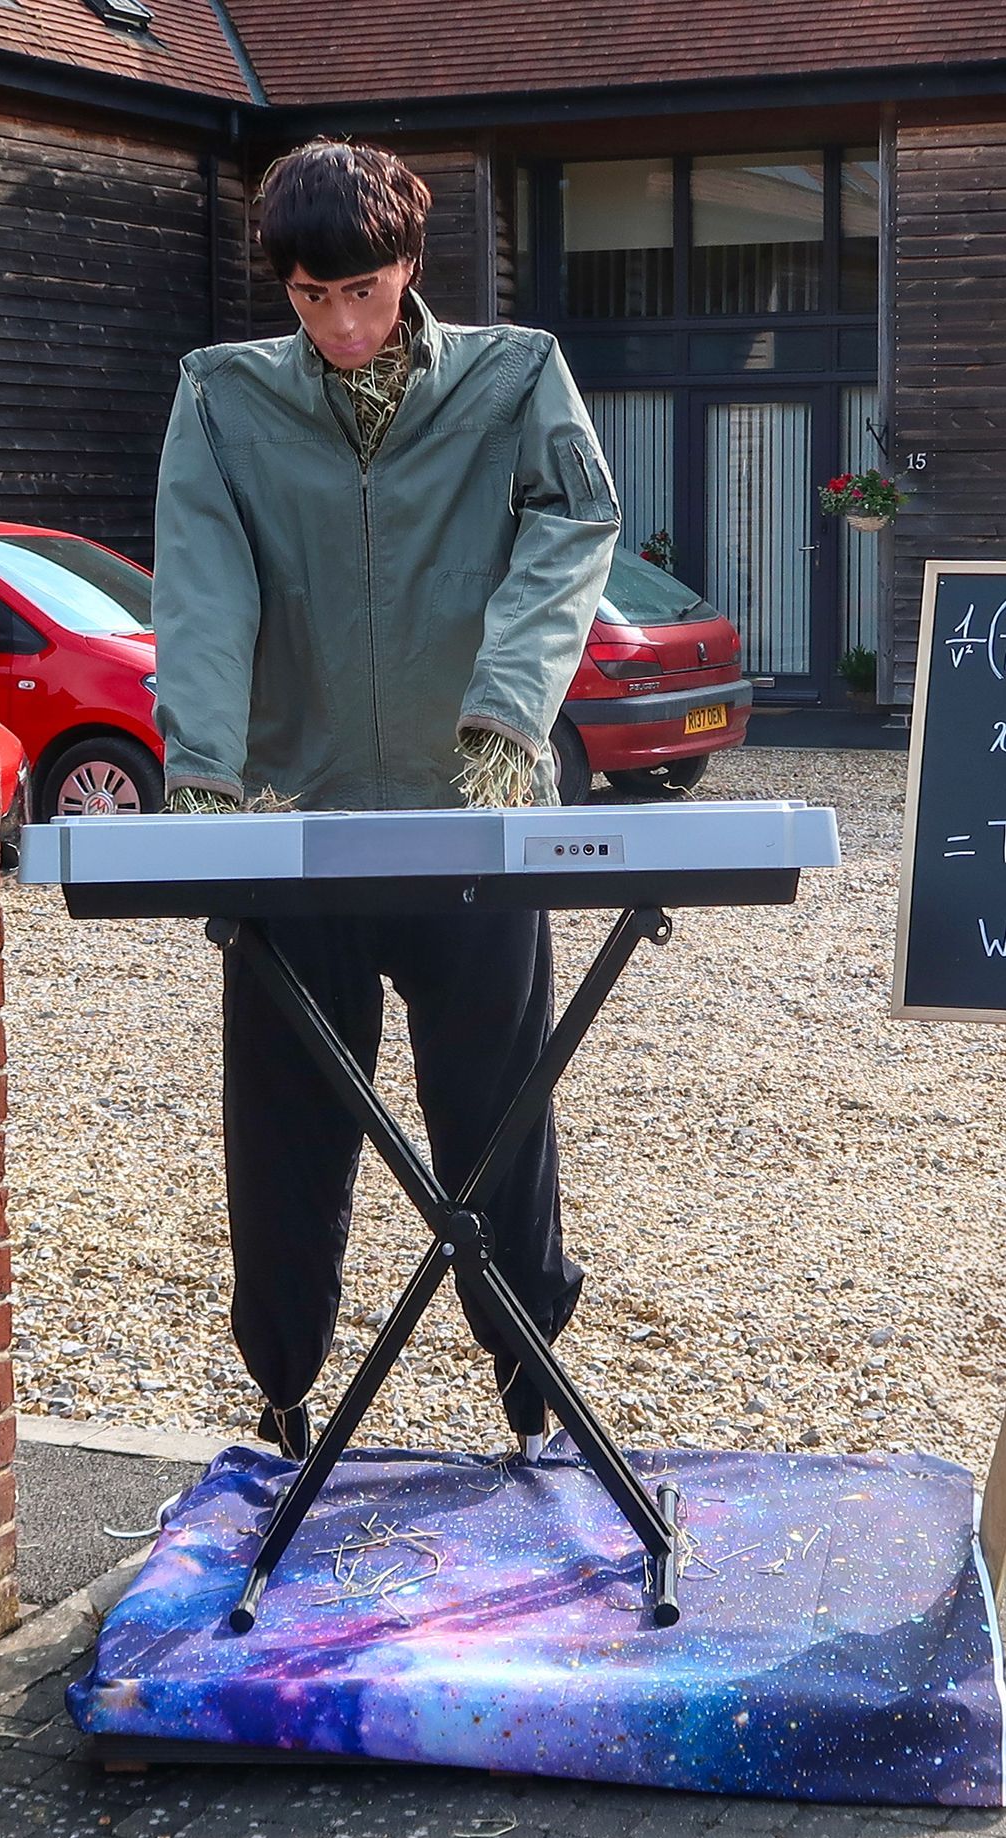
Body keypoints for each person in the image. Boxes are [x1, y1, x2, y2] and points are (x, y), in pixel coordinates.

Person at [149, 139, 620, 1462]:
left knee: (497, 1121)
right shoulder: (223, 397)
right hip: (298, 826)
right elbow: (203, 585)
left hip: (472, 820)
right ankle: (283, 1395)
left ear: (408, 265)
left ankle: (531, 1393)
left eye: (361, 291)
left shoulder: (513, 376)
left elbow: (574, 528)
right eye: (312, 298)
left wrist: (507, 713)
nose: (342, 325)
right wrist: (203, 773)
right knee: (286, 1127)